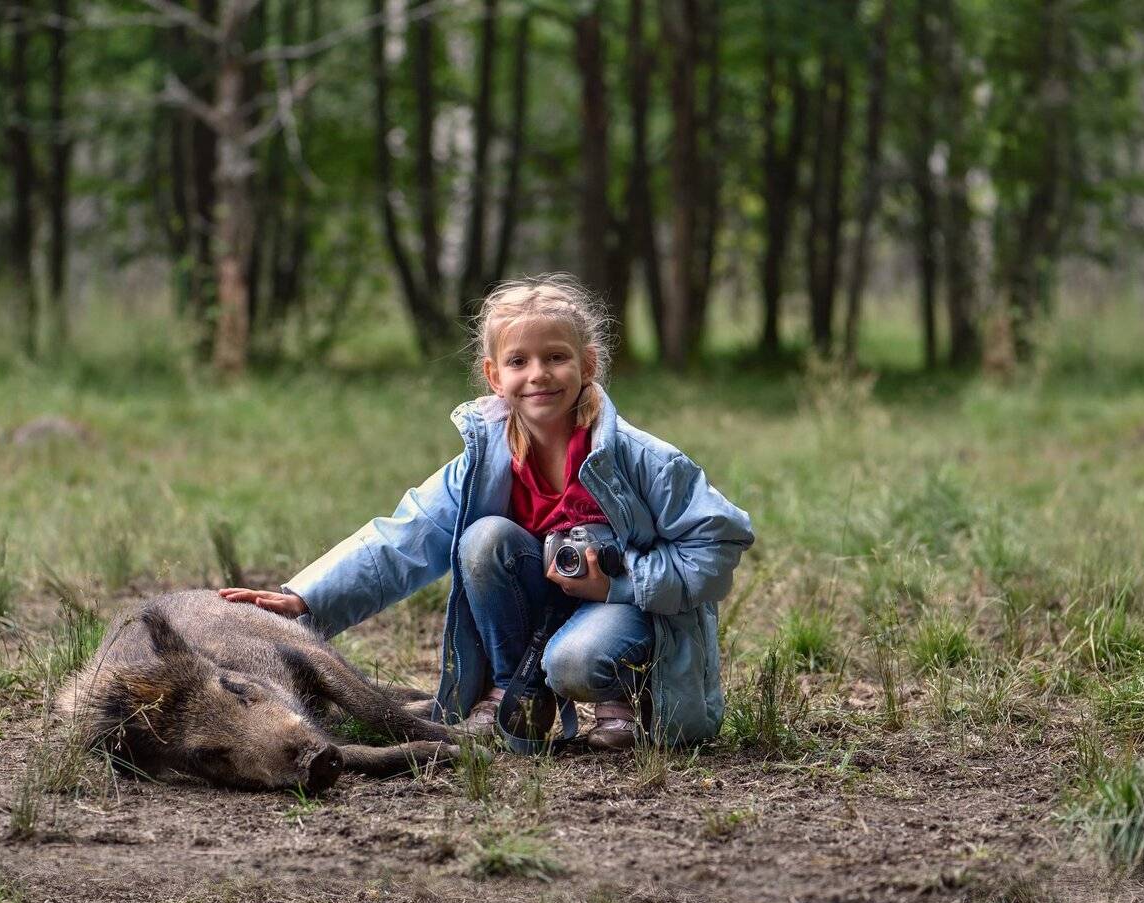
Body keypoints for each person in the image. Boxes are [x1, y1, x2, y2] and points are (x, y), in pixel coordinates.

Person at [220, 275, 753, 750]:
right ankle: (510, 692)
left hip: (623, 610)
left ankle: (620, 695)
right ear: (495, 376)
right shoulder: (483, 463)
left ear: (588, 363)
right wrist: (305, 598)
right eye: (519, 361)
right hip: (540, 614)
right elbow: (406, 536)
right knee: (483, 538)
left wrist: (619, 582)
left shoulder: (642, 460)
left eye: (557, 358)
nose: (539, 374)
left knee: (574, 661)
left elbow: (719, 543)